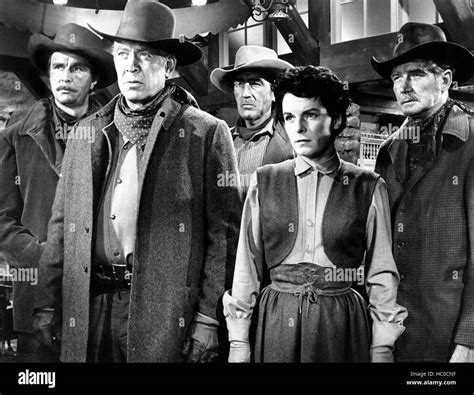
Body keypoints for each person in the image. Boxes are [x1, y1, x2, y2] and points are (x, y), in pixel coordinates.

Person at [33, 1, 241, 363]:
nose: (131, 65)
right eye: (123, 53)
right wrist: (48, 302)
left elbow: (223, 237)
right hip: (89, 303)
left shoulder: (205, 133)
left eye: (145, 56)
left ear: (169, 66)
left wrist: (208, 318)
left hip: (162, 309)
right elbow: (61, 225)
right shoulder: (88, 130)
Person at [223, 65, 407, 363]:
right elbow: (247, 267)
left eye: (310, 115)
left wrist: (382, 347)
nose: (298, 128)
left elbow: (381, 273)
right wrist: (238, 342)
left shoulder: (367, 186)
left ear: (335, 120)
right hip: (277, 319)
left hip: (340, 322)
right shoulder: (265, 180)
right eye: (289, 117)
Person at [0, 23, 116, 362]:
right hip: (36, 294)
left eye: (77, 67)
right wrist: (47, 258)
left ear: (93, 79)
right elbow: (2, 219)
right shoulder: (16, 133)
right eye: (58, 67)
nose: (65, 76)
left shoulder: (112, 132)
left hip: (99, 294)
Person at [372, 22, 474, 362]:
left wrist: (469, 340)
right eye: (396, 78)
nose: (404, 86)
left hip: (449, 331)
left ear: (445, 80)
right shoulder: (389, 150)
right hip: (396, 327)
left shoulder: (471, 141)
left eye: (415, 74)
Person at [211, 46, 294, 195]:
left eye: (255, 84)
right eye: (240, 85)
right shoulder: (220, 141)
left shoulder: (294, 142)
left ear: (274, 93)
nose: (245, 94)